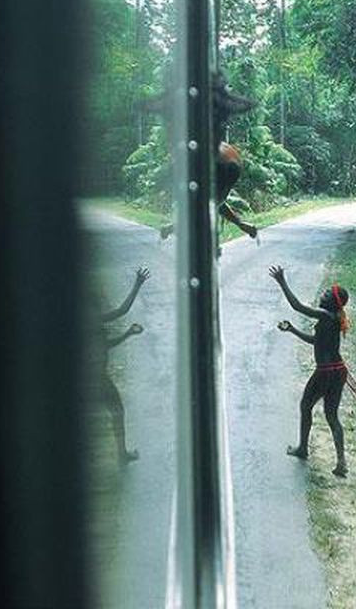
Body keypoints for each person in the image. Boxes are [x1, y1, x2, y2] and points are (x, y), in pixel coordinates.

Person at [269, 264, 351, 477]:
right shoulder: (332, 318)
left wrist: (282, 282)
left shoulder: (325, 314)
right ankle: (341, 461)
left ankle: (303, 448)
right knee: (332, 415)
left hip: (325, 372)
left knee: (306, 406)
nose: (322, 294)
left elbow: (298, 307)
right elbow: (316, 341)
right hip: (338, 370)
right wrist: (293, 330)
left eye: (326, 293)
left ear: (332, 302)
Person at [98, 266, 150, 463]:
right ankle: (121, 454)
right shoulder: (92, 319)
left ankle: (121, 454)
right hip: (98, 379)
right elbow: (121, 310)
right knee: (117, 412)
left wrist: (128, 333)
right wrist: (137, 284)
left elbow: (106, 345)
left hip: (94, 378)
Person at [159, 141, 258, 241]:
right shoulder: (217, 147)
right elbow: (216, 201)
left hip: (219, 166)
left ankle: (176, 226)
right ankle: (240, 224)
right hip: (233, 166)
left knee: (204, 203)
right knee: (215, 201)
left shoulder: (188, 153)